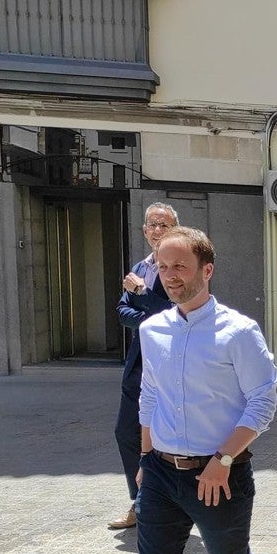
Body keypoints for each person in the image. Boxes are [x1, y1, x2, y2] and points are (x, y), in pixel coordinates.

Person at [136, 226, 277, 554]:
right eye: (163, 266)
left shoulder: (238, 332)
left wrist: (223, 460)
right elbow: (149, 396)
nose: (170, 275)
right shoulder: (152, 331)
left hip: (219, 475)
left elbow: (262, 402)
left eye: (180, 266)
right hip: (160, 474)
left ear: (207, 270)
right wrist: (145, 457)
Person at [109, 202, 177, 530]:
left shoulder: (178, 266)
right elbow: (122, 312)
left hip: (170, 365)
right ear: (144, 230)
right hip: (138, 363)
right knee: (126, 432)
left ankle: (168, 506)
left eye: (164, 225)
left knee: (164, 437)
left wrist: (141, 292)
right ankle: (139, 502)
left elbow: (176, 311)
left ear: (174, 229)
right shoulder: (140, 265)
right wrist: (147, 315)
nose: (157, 230)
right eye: (152, 225)